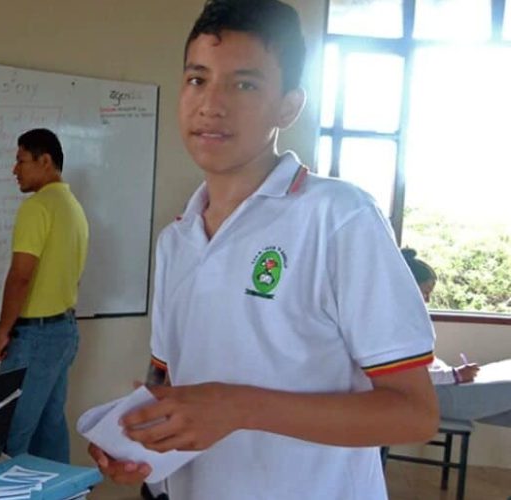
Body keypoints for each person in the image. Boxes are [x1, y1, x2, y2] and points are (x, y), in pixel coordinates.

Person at [89, 1, 439, 498]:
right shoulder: (179, 238)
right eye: (197, 80)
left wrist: (238, 407)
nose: (212, 103)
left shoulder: (337, 217)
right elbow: (169, 382)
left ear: (288, 106)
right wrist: (140, 439)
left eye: (244, 84)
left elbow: (414, 414)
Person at [0, 128, 89, 463]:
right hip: (64, 331)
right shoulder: (73, 207)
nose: (14, 169)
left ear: (44, 161)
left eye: (21, 160)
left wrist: (3, 330)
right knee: (49, 427)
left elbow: (20, 277)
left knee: (10, 432)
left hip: (35, 335)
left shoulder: (37, 207)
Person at [402, 248, 479, 385]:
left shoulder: (411, 319)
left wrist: (452, 372)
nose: (427, 300)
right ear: (408, 287)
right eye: (425, 293)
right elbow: (405, 375)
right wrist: (455, 375)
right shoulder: (397, 325)